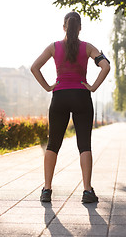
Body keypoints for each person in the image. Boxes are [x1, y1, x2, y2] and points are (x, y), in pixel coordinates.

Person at [31, 11, 110, 203]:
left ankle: (47, 190)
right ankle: (87, 191)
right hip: (82, 96)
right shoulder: (88, 47)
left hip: (60, 96)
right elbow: (106, 66)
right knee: (84, 145)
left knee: (53, 144)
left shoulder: (54, 47)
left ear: (64, 27)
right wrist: (92, 87)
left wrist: (49, 87)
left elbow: (34, 67)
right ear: (80, 27)